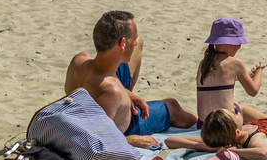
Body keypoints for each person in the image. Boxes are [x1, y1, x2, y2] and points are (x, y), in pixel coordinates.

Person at [64, 10, 196, 147]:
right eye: (130, 41)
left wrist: (128, 94)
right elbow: (94, 141)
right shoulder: (111, 91)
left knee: (139, 42)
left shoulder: (78, 61)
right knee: (172, 106)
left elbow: (94, 87)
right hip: (128, 128)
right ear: (122, 43)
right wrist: (130, 140)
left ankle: (127, 94)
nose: (133, 44)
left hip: (104, 77)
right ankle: (205, 122)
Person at [194, 17, 266, 120]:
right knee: (242, 109)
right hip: (225, 125)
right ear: (231, 43)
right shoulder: (235, 63)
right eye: (239, 43)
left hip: (203, 125)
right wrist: (259, 71)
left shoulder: (204, 63)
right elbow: (253, 91)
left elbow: (220, 80)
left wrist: (248, 75)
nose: (240, 46)